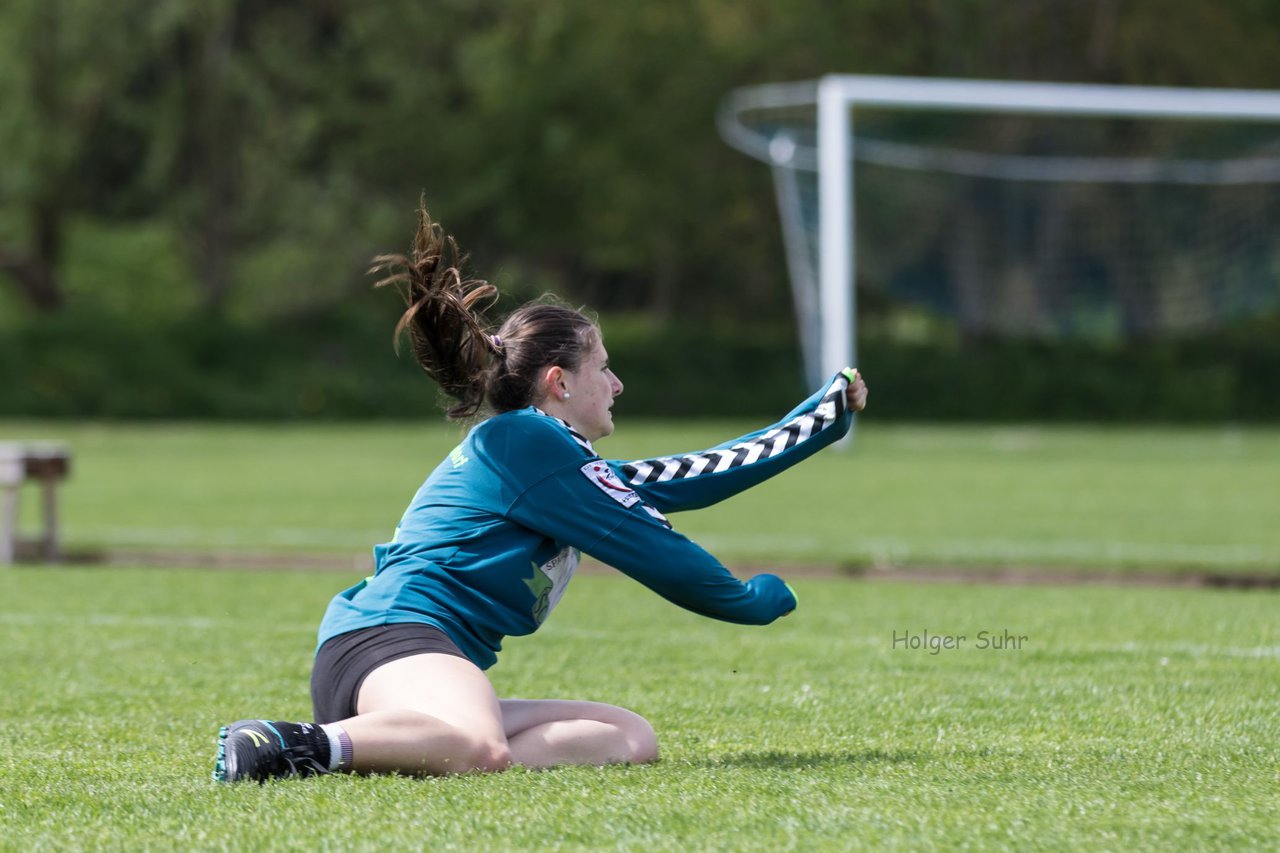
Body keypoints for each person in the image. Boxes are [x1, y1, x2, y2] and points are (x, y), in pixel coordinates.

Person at [213, 205, 869, 782]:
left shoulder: (556, 463)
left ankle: (396, 750)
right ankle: (287, 743)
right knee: (480, 744)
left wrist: (818, 420)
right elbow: (655, 547)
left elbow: (685, 477)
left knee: (628, 738)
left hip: (412, 668)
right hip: (388, 643)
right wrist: (745, 601)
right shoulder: (528, 443)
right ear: (559, 382)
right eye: (604, 367)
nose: (616, 385)